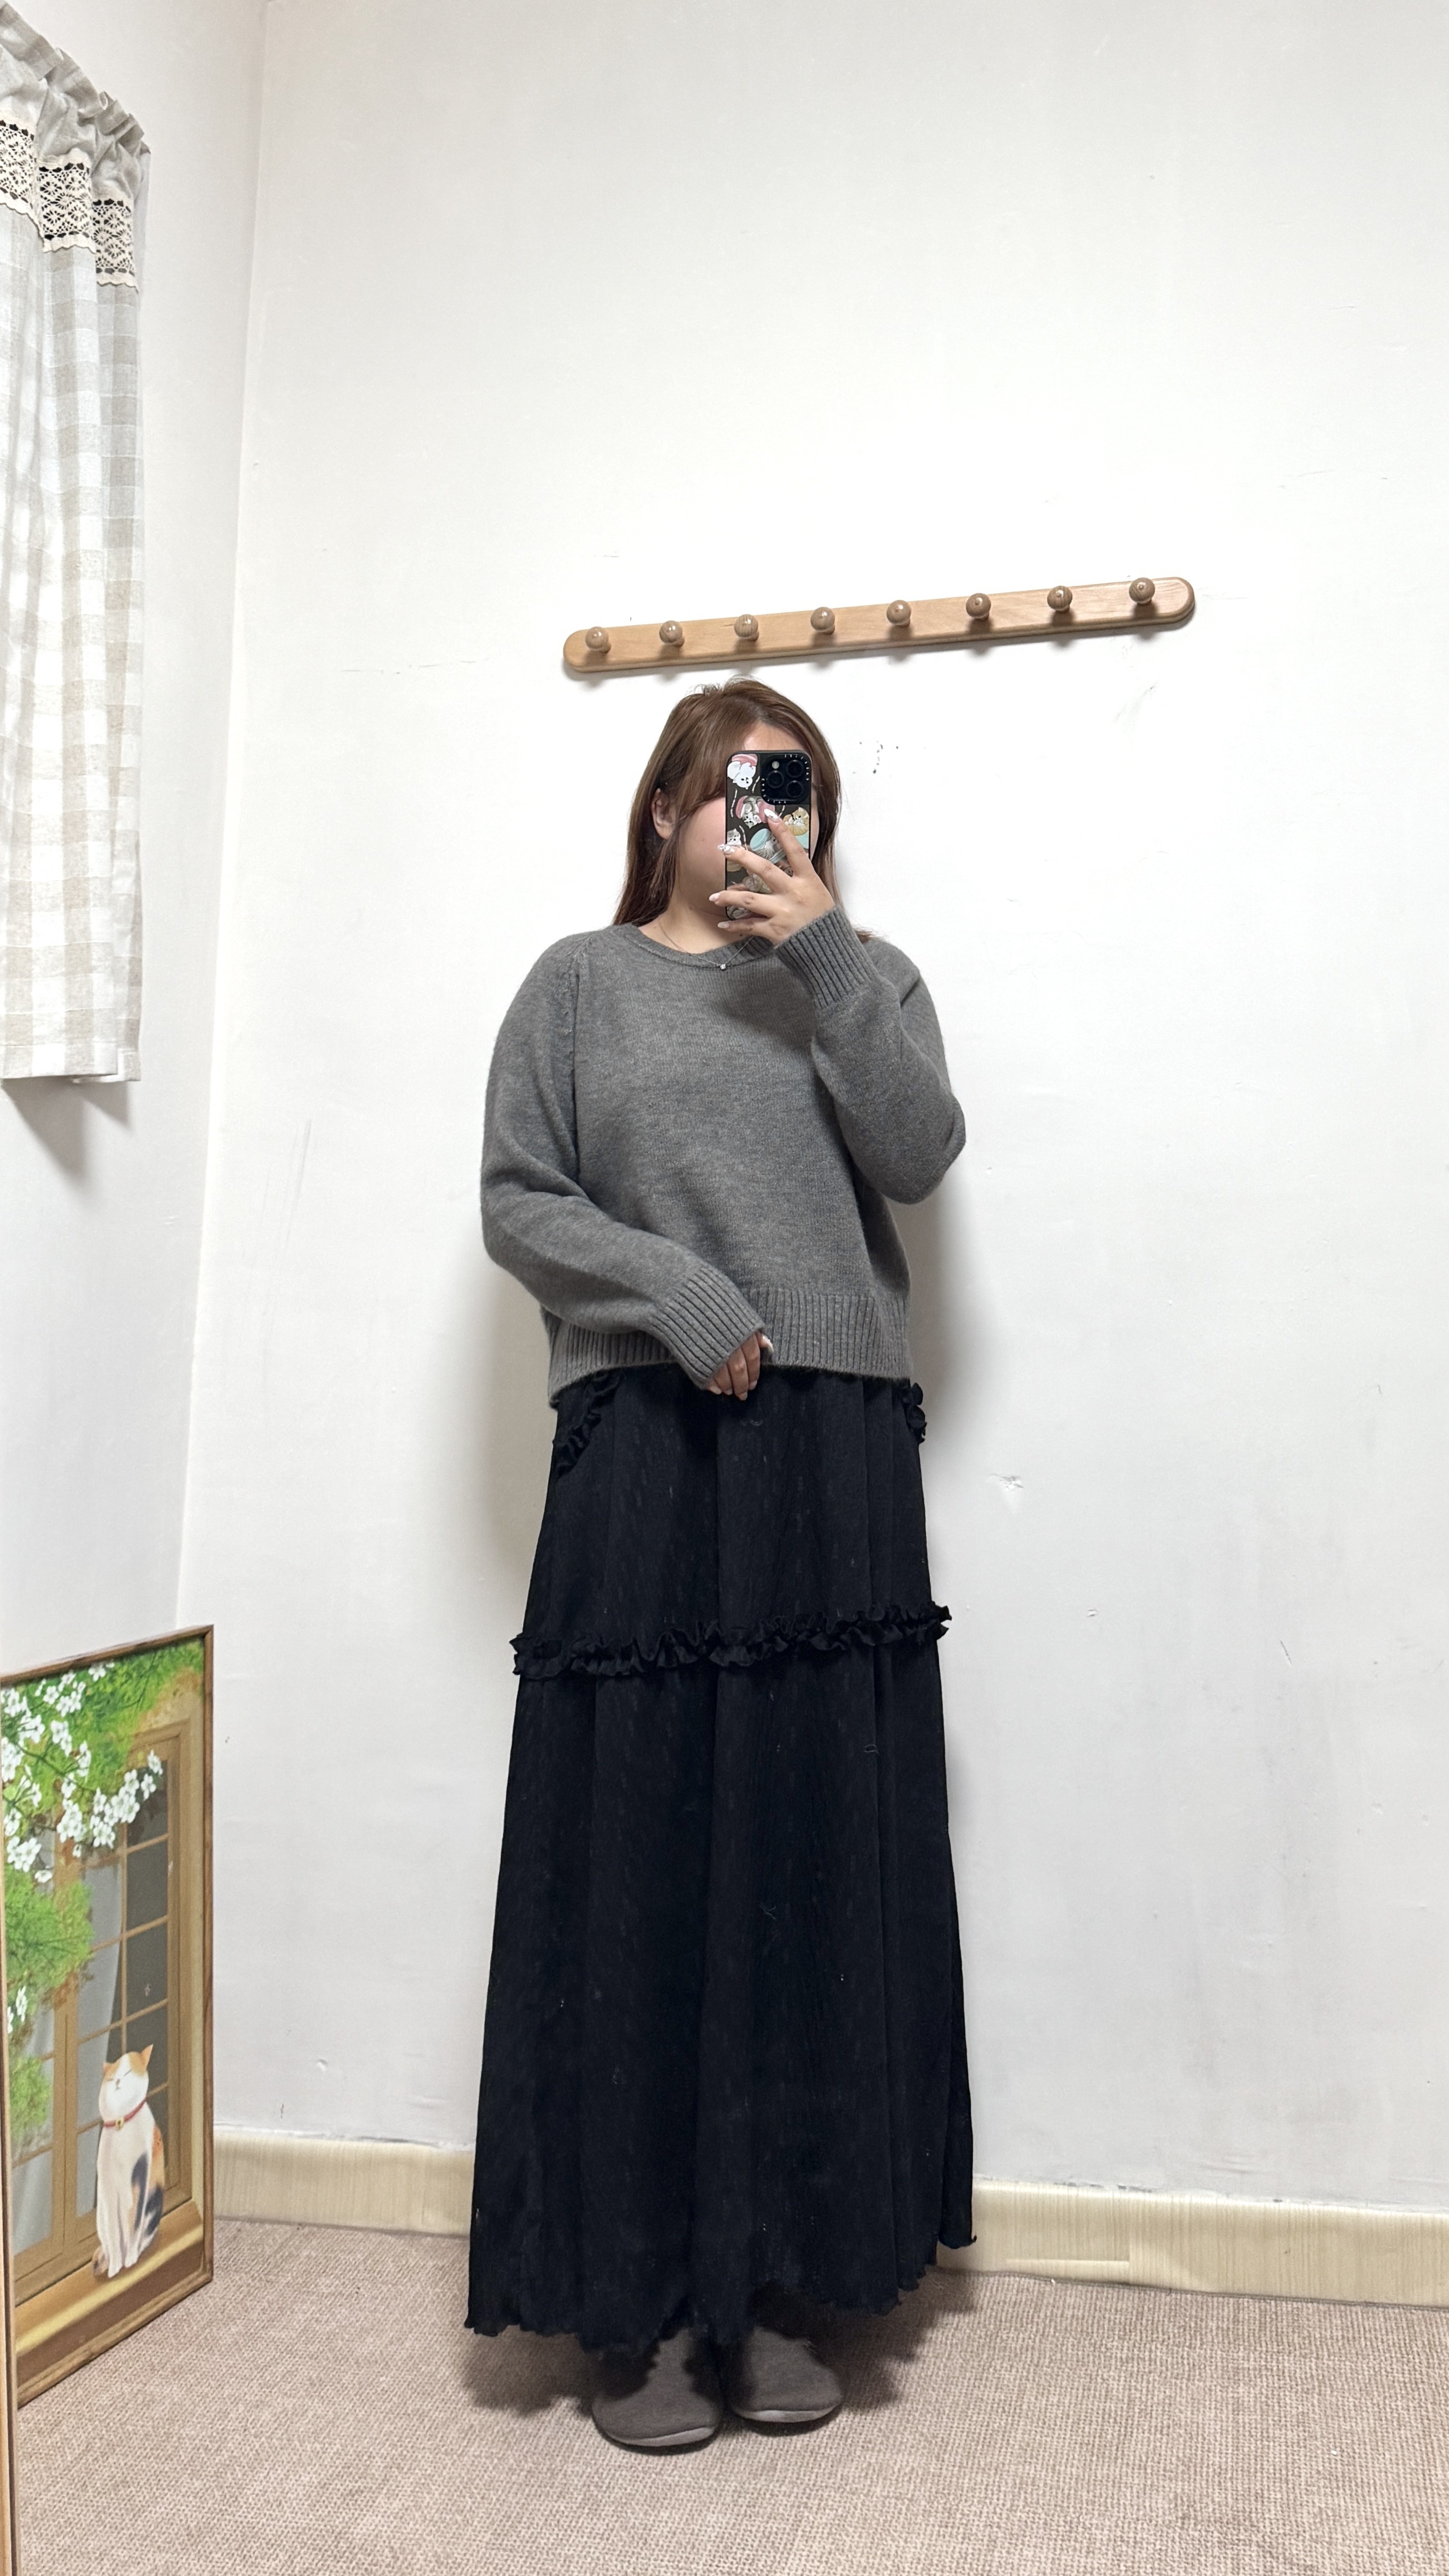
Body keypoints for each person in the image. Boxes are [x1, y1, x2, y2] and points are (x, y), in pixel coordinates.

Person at [467, 678, 973, 2451]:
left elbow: (918, 1151)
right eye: (739, 787)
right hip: (647, 1436)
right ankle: (647, 2309)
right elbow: (518, 1196)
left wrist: (824, 951)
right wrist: (677, 1290)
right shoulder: (578, 984)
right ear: (665, 802)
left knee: (808, 1851)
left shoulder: (863, 976)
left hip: (831, 1447)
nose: (767, 816)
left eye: (798, 792)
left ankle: (776, 2284)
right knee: (640, 1848)